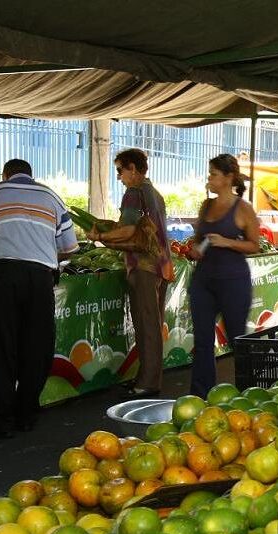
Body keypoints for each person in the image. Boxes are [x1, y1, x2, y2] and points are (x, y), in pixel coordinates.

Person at [0, 159, 78, 437]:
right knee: (36, 346)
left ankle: (1, 418)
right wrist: (41, 252)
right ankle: (27, 414)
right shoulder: (52, 197)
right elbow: (69, 247)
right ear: (32, 176)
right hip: (39, 278)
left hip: (2, 276)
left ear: (6, 175)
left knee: (0, 345)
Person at [88, 148, 173, 398]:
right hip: (159, 265)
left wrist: (100, 236)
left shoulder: (134, 193)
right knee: (152, 322)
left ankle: (148, 382)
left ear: (133, 169)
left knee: (147, 324)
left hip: (145, 266)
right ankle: (147, 377)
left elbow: (127, 231)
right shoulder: (154, 193)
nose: (119, 176)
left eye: (120, 170)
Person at [187, 154, 261, 398]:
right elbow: (197, 242)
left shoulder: (243, 208)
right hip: (203, 281)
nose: (209, 178)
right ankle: (201, 396)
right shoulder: (206, 206)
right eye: (209, 174)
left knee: (237, 338)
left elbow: (254, 245)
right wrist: (194, 250)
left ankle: (247, 393)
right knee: (202, 341)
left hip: (233, 283)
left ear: (229, 178)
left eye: (214, 174)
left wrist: (227, 242)